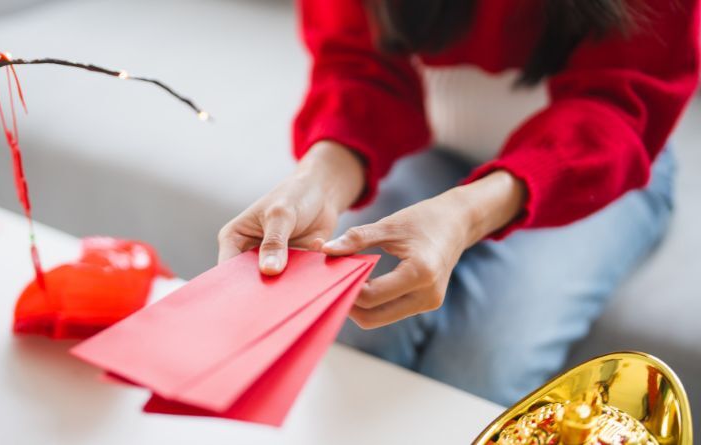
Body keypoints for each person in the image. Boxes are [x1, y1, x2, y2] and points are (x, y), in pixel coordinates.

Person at [218, 0, 700, 405]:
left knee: (486, 358)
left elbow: (619, 104)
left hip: (597, 158)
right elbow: (359, 65)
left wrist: (467, 214)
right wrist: (319, 177)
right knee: (345, 320)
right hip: (429, 142)